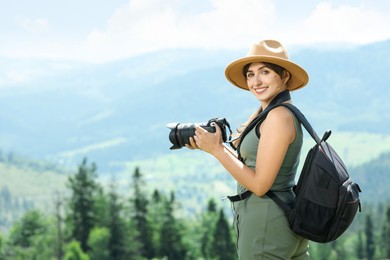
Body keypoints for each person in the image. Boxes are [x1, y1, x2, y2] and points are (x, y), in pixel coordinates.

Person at [186, 40, 310, 259]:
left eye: (265, 72)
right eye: (250, 74)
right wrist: (212, 145)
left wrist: (217, 151)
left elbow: (260, 185)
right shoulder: (272, 112)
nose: (256, 81)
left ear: (284, 76)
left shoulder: (278, 117)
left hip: (266, 223)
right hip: (282, 218)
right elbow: (250, 163)